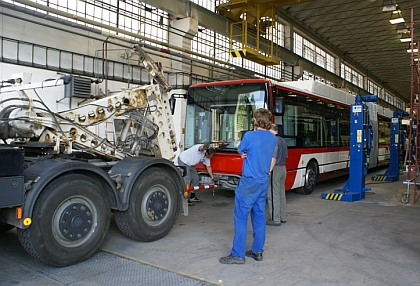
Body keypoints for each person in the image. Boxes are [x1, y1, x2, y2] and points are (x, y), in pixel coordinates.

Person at [219, 108, 276, 264]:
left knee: (240, 216)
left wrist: (242, 153)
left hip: (249, 182)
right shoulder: (272, 138)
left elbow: (240, 148)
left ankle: (238, 254)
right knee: (259, 216)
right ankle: (257, 251)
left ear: (256, 121)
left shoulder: (249, 135)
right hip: (263, 181)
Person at [267, 124, 288, 226]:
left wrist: (269, 170)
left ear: (272, 131)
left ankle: (275, 219)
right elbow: (286, 155)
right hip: (283, 168)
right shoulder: (283, 141)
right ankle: (282, 217)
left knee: (273, 194)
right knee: (281, 194)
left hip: (275, 169)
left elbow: (274, 157)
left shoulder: (274, 140)